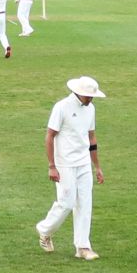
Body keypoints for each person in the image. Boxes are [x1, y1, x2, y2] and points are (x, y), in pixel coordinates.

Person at [35, 76, 105, 261]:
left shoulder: (91, 109)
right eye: (88, 96)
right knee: (66, 202)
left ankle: (83, 247)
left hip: (83, 163)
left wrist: (97, 166)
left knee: (85, 203)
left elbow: (91, 138)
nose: (91, 99)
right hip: (64, 163)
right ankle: (44, 230)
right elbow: (50, 136)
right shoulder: (62, 107)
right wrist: (52, 166)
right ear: (78, 93)